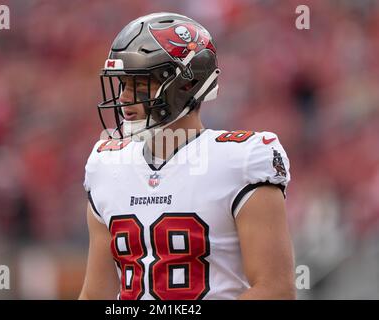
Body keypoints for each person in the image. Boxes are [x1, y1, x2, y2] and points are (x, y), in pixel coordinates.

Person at [79, 12, 296, 300]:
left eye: (140, 84)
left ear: (185, 85)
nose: (124, 99)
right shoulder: (106, 165)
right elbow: (98, 293)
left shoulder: (241, 160)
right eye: (122, 84)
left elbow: (275, 289)